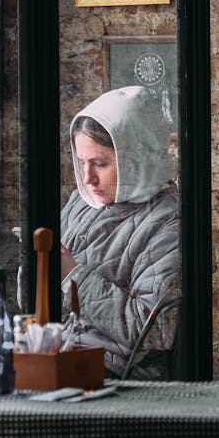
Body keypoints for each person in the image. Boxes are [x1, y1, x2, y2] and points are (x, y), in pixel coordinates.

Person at [60, 84, 180, 379]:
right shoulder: (82, 202)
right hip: (60, 353)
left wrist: (71, 276)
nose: (87, 178)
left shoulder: (170, 222)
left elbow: (153, 332)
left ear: (137, 159)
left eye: (100, 164)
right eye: (81, 163)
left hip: (117, 375)